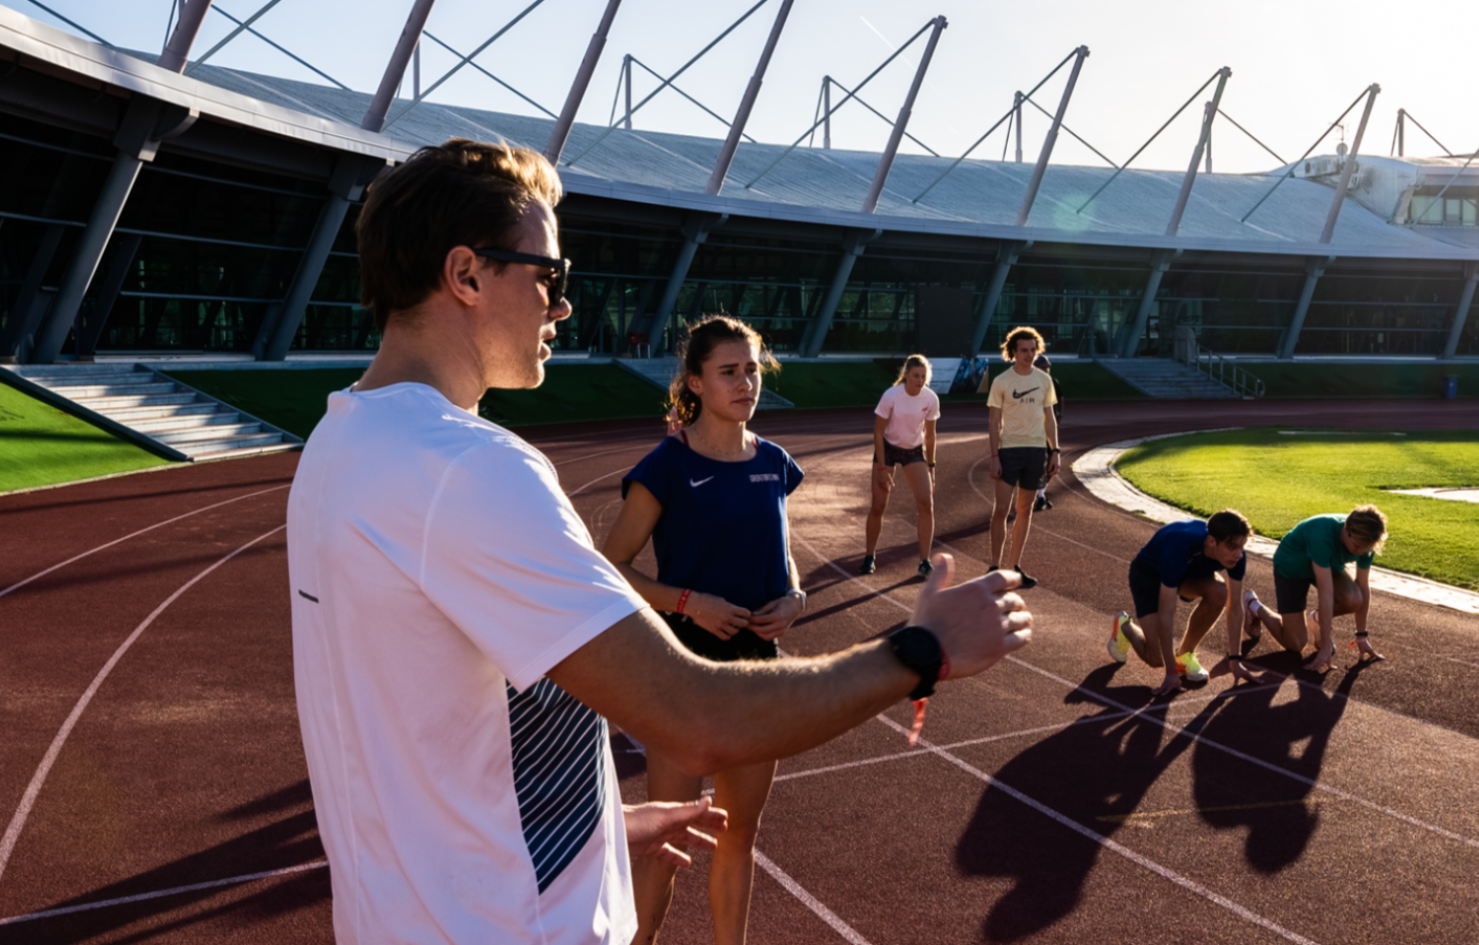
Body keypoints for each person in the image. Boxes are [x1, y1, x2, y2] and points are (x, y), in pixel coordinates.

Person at [286, 138, 1033, 945]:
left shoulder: (338, 446)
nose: (561, 305)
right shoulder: (468, 469)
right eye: (549, 276)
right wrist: (920, 649)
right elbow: (695, 713)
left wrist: (598, 824)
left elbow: (432, 727)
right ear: (466, 275)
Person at [602, 315, 804, 945]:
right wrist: (689, 602)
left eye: (752, 370)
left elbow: (783, 552)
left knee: (738, 835)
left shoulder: (773, 461)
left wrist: (794, 597)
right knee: (666, 842)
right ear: (695, 381)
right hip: (683, 673)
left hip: (757, 671)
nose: (746, 383)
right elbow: (612, 566)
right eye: (729, 372)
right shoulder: (667, 464)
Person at [1107, 510, 1263, 696]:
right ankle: (1125, 627)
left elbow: (1235, 608)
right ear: (1212, 541)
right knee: (1156, 659)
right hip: (1149, 576)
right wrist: (1170, 673)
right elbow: (1167, 613)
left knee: (1221, 593)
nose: (1238, 554)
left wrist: (1235, 661)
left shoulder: (1236, 556)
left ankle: (1184, 655)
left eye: (1242, 547)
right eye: (1232, 547)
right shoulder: (1178, 546)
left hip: (1188, 572)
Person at [1241, 505, 1388, 673]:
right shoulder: (1321, 534)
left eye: (1366, 548)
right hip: (1292, 568)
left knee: (1355, 599)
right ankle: (1254, 606)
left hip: (1327, 564)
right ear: (1346, 529)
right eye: (1356, 546)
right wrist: (1325, 646)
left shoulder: (1367, 539)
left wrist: (1361, 636)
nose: (1361, 552)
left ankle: (1315, 620)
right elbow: (1325, 593)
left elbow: (1363, 586)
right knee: (1295, 644)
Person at [986, 327, 1061, 588]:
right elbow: (994, 422)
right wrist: (994, 456)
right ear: (1013, 352)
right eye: (1024, 351)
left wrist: (1055, 450)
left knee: (1025, 510)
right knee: (1001, 510)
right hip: (1008, 451)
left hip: (1036, 451)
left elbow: (1049, 418)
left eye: (1032, 350)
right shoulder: (1002, 382)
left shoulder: (1044, 381)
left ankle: (1015, 567)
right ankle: (995, 567)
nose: (1029, 355)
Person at [859, 354, 940, 578]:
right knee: (878, 506)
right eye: (915, 376)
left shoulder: (931, 399)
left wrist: (931, 467)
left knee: (926, 504)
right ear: (905, 374)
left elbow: (931, 436)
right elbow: (877, 432)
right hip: (888, 449)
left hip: (914, 451)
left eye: (923, 377)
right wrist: (883, 469)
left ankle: (924, 561)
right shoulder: (891, 396)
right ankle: (869, 556)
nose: (920, 380)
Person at [1030, 353, 1064, 512]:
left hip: (1048, 428)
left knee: (1052, 461)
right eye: (1042, 367)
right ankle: (1039, 496)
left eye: (1047, 368)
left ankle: (1041, 494)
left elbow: (1060, 398)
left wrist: (1059, 414)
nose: (1045, 370)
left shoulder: (1052, 383)